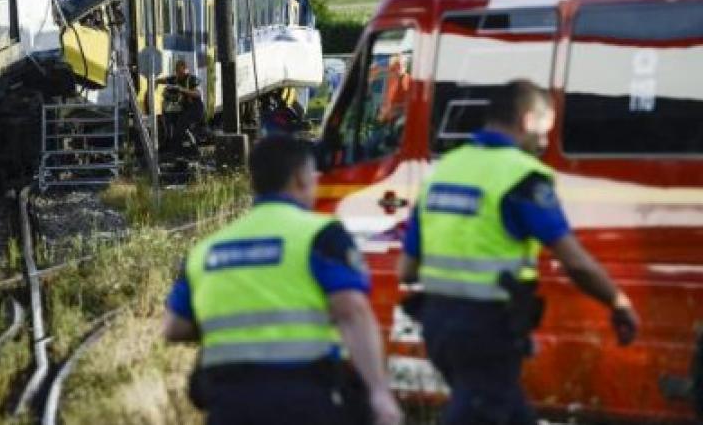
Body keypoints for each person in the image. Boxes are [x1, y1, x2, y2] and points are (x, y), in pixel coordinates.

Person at [398, 79, 640, 425]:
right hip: (489, 328)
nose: (545, 142)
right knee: (481, 410)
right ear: (528, 120)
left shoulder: (443, 171)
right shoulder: (522, 177)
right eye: (545, 130)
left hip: (438, 323)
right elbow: (575, 262)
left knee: (506, 411)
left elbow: (407, 270)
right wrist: (617, 302)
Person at [164, 135, 403, 425]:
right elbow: (352, 310)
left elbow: (175, 327)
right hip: (304, 400)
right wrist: (379, 392)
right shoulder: (320, 235)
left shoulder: (206, 249)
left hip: (229, 404)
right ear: (301, 179)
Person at [156, 59, 204, 153]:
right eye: (177, 71)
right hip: (185, 109)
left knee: (181, 126)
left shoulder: (191, 79)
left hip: (195, 109)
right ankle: (172, 145)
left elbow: (197, 94)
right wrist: (156, 82)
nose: (179, 74)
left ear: (185, 70)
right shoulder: (175, 78)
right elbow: (163, 80)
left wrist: (182, 90)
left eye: (181, 71)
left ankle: (191, 149)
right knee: (171, 120)